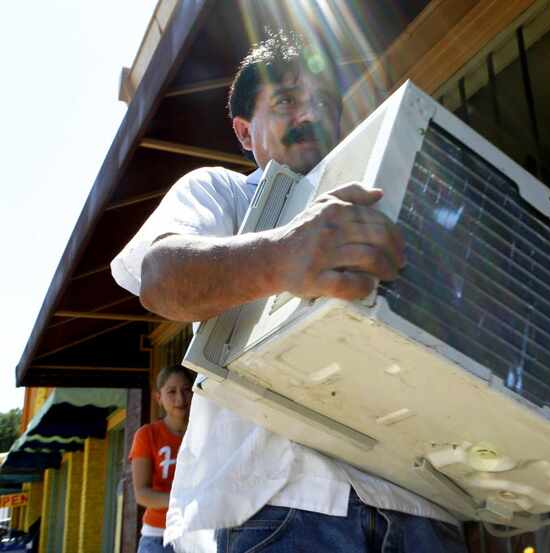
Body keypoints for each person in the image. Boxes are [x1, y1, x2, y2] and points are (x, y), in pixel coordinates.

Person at [111, 29, 467, 553]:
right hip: (285, 505)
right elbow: (161, 279)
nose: (309, 113)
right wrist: (284, 255)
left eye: (323, 101)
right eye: (285, 101)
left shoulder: (391, 204)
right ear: (243, 131)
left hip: (424, 505)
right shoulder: (221, 192)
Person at [129, 364, 194, 553]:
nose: (180, 398)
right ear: (159, 398)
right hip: (159, 537)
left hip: (200, 535)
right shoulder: (147, 435)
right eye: (171, 392)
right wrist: (183, 499)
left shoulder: (205, 433)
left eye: (186, 390)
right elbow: (142, 494)